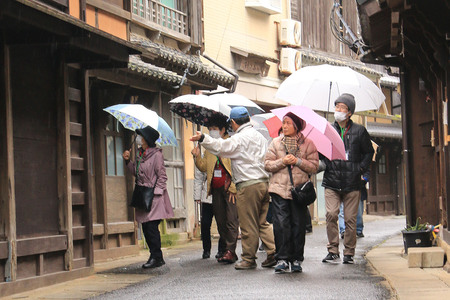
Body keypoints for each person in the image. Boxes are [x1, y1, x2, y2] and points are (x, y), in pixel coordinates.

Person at [190, 106, 276, 270]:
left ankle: (248, 258)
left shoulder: (239, 138)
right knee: (262, 222)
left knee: (247, 223)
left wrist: (203, 138)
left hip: (248, 185)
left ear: (234, 123)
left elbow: (221, 148)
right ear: (249, 119)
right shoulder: (259, 137)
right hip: (264, 182)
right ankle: (273, 252)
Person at [320, 94, 374, 265]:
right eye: (337, 107)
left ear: (349, 112)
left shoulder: (359, 131)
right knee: (331, 214)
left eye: (342, 107)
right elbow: (321, 152)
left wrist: (360, 169)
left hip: (352, 182)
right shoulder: (328, 129)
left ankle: (349, 252)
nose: (339, 110)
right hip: (332, 180)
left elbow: (369, 152)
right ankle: (333, 250)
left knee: (350, 219)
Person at [264, 112, 319, 273]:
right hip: (278, 190)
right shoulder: (275, 143)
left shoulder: (308, 144)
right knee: (281, 226)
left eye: (288, 123)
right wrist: (283, 161)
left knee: (298, 226)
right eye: (283, 123)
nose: (285, 126)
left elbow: (315, 166)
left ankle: (296, 259)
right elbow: (267, 165)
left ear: (296, 125)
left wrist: (298, 161)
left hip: (299, 192)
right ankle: (282, 259)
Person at [122, 126, 174, 269]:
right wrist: (128, 162)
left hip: (154, 196)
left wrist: (156, 193)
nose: (139, 139)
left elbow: (162, 176)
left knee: (151, 227)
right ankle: (155, 255)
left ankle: (156, 256)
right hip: (142, 194)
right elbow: (136, 173)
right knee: (145, 227)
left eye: (141, 137)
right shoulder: (139, 154)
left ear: (147, 140)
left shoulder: (156, 155)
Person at [192, 119, 239, 264]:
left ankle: (231, 250)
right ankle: (226, 249)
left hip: (229, 188)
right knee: (220, 221)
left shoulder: (231, 143)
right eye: (210, 128)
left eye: (214, 128)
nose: (211, 130)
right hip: (215, 189)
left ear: (223, 130)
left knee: (231, 220)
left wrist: (233, 187)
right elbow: (203, 167)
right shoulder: (209, 147)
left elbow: (237, 168)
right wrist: (197, 156)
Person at [193, 165, 218, 259]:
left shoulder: (224, 154)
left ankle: (222, 249)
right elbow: (198, 178)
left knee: (222, 225)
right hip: (207, 196)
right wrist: (197, 196)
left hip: (221, 195)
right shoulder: (204, 157)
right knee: (205, 224)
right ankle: (206, 249)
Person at [339, 170, 370, 239]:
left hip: (357, 187)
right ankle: (343, 230)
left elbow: (367, 171)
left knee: (358, 212)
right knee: (342, 211)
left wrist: (364, 179)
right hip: (342, 187)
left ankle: (358, 229)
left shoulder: (360, 161)